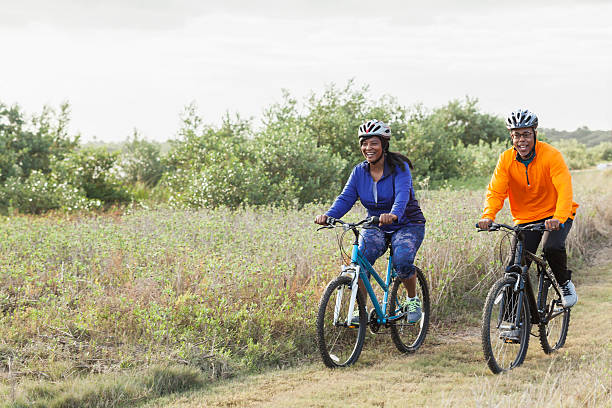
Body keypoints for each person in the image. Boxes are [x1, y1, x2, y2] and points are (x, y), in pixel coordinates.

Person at [315, 119, 426, 323]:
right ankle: (361, 309)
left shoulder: (399, 168)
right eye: (364, 144)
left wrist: (393, 214)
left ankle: (413, 299)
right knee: (360, 262)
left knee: (402, 260)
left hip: (407, 223)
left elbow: (402, 195)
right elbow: (346, 198)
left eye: (373, 143)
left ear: (384, 144)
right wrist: (330, 216)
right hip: (376, 223)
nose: (368, 148)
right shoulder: (359, 171)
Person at [478, 109, 579, 308]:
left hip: (557, 214)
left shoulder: (551, 155)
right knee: (515, 268)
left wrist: (558, 217)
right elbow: (496, 192)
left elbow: (565, 189)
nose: (521, 140)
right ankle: (512, 325)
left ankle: (564, 284)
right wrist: (488, 215)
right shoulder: (506, 159)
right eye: (516, 135)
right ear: (511, 137)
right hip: (526, 219)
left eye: (526, 134)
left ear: (534, 133)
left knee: (551, 248)